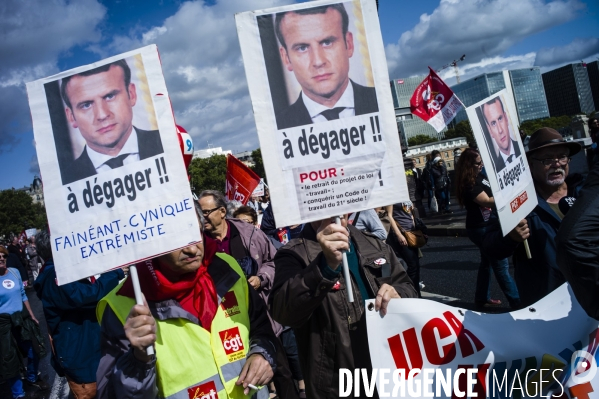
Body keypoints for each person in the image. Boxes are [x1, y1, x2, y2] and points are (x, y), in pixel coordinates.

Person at [96, 209, 276, 399]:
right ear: (150, 241)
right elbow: (111, 393)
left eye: (195, 233)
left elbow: (262, 328)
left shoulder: (227, 266)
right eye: (177, 240)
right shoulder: (122, 305)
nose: (191, 248)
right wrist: (139, 360)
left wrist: (263, 354)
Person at [270, 215, 418, 399]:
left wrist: (399, 294)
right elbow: (284, 313)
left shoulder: (373, 244)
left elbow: (409, 288)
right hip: (337, 382)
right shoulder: (294, 254)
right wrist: (325, 266)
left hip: (389, 369)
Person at [198, 190, 299, 399]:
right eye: (200, 212)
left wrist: (261, 278)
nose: (202, 216)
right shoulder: (199, 243)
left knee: (281, 370)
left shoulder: (249, 234)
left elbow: (274, 261)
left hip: (259, 314)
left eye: (206, 211)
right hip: (223, 324)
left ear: (223, 211)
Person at [482, 127, 581, 306]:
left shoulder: (585, 193)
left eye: (562, 156)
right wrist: (510, 238)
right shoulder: (516, 201)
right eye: (547, 159)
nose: (557, 163)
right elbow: (490, 247)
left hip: (590, 297)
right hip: (546, 302)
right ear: (530, 163)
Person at [33, 229, 124, 399]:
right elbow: (84, 296)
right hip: (81, 358)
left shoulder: (64, 270)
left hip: (89, 352)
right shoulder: (54, 274)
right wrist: (114, 272)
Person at [274, 3, 378, 130]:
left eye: (327, 42)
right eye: (302, 48)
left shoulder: (381, 101)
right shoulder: (277, 128)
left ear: (349, 44)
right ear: (286, 58)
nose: (318, 61)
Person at [60, 59, 164, 184]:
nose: (102, 115)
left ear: (131, 94)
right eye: (86, 105)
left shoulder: (167, 141)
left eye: (110, 96)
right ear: (71, 116)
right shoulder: (65, 180)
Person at [455, 148, 520, 309]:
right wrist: (508, 196)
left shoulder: (480, 176)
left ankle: (481, 297)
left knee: (487, 263)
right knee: (500, 264)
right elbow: (486, 201)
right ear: (469, 164)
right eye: (478, 163)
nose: (481, 165)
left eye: (482, 161)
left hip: (487, 224)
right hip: (480, 228)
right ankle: (517, 302)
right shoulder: (469, 183)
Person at [0, 245, 48, 399]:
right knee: (10, 359)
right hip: (3, 322)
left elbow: (23, 295)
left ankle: (32, 377)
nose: (1, 259)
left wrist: (32, 315)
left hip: (21, 317)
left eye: (4, 256)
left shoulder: (14, 272)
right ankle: (18, 393)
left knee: (34, 349)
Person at [385, 203, 422, 297]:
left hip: (411, 233)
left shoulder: (404, 193)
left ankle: (415, 292)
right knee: (412, 265)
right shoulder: (392, 196)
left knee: (415, 265)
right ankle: (411, 293)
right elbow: (389, 215)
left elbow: (410, 212)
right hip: (402, 233)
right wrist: (399, 235)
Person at [481, 97, 521, 173]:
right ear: (490, 130)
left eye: (500, 118)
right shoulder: (495, 170)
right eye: (493, 123)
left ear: (506, 118)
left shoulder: (523, 149)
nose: (500, 130)